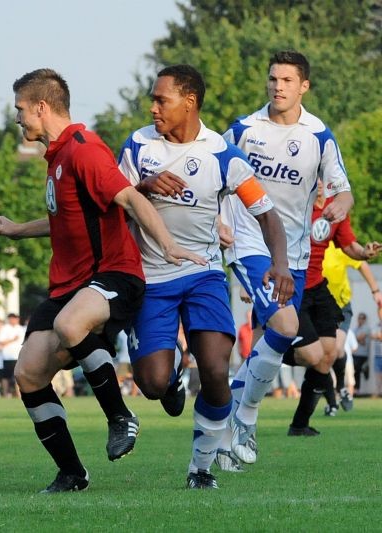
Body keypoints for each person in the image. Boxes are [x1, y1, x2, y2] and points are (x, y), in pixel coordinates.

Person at [0, 68, 204, 493]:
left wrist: (169, 246)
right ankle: (72, 473)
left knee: (70, 325)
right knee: (28, 373)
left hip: (113, 274)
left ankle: (121, 416)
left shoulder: (83, 148)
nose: (17, 119)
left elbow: (131, 198)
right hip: (70, 287)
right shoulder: (57, 158)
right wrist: (16, 228)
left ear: (41, 107)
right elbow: (68, 223)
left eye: (20, 110)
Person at [118, 64, 292, 488]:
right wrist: (144, 186)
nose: (153, 107)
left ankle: (200, 467)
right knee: (153, 383)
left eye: (162, 99)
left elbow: (267, 214)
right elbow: (112, 203)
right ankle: (172, 370)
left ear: (189, 101)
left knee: (215, 370)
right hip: (152, 280)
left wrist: (280, 264)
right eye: (153, 100)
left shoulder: (222, 154)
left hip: (204, 276)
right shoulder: (138, 146)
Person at [215, 51, 354, 469]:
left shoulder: (320, 136)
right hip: (248, 243)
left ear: (303, 87)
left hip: (294, 252)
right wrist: (218, 223)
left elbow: (342, 189)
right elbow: (210, 176)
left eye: (287, 80)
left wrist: (339, 207)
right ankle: (248, 418)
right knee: (286, 324)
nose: (278, 86)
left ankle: (230, 420)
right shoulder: (242, 130)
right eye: (273, 79)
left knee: (274, 338)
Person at [284, 187, 377, 435]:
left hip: (317, 288)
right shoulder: (292, 202)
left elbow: (349, 247)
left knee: (329, 354)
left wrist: (365, 253)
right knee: (312, 355)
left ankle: (299, 425)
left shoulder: (336, 210)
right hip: (292, 286)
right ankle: (271, 354)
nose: (322, 184)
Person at [322, 242, 382, 412]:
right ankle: (332, 399)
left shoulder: (338, 245)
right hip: (318, 308)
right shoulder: (306, 243)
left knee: (336, 350)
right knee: (320, 358)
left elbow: (361, 263)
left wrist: (375, 291)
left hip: (341, 307)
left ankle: (341, 388)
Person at [0, 313, 25, 398]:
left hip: (19, 356)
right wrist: (12, 340)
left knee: (18, 377)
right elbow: (1, 342)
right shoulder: (5, 329)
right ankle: (5, 393)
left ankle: (19, 394)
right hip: (7, 356)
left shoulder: (21, 329)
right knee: (5, 376)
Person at [352, 312, 373, 392]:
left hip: (363, 354)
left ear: (365, 320)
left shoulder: (366, 328)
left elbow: (359, 337)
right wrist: (359, 340)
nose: (360, 320)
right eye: (359, 318)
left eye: (362, 318)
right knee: (354, 370)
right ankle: (355, 388)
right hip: (355, 353)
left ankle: (357, 389)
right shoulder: (355, 329)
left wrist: (356, 339)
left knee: (356, 368)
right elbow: (356, 339)